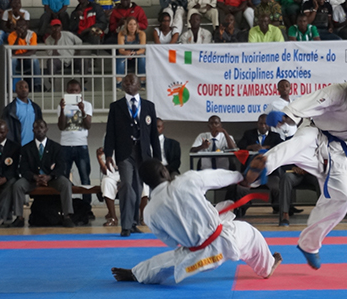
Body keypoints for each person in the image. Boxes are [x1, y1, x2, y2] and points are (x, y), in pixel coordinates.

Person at [262, 63, 347, 269]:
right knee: (295, 144)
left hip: (338, 147)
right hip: (314, 131)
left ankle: (309, 244)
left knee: (344, 198)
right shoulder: (339, 91)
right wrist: (286, 115)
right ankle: (260, 168)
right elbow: (311, 100)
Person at [110, 157, 282, 285]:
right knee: (250, 234)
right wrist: (241, 177)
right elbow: (217, 177)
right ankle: (267, 267)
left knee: (162, 263)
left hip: (195, 258)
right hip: (224, 243)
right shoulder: (187, 180)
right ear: (164, 172)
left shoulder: (149, 212)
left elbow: (172, 243)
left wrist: (190, 236)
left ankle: (135, 274)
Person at [104, 74, 161, 237]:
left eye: (132, 81)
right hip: (125, 152)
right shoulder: (116, 106)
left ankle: (134, 223)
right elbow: (111, 132)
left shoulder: (149, 106)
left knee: (137, 187)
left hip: (143, 153)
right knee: (127, 185)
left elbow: (153, 135)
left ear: (139, 85)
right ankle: (126, 225)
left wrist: (157, 158)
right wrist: (109, 154)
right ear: (122, 86)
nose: (129, 84)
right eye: (126, 82)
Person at [11, 119, 75, 228]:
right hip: (32, 179)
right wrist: (35, 177)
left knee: (66, 184)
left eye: (41, 127)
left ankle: (67, 216)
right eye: (36, 128)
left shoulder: (56, 147)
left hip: (52, 179)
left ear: (46, 129)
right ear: (33, 130)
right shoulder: (26, 148)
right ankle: (19, 217)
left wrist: (49, 177)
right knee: (18, 185)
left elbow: (61, 167)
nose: (39, 130)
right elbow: (23, 168)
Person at [235, 114, 284, 215]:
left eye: (265, 124)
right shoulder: (249, 134)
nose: (263, 126)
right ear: (257, 124)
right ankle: (243, 207)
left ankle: (277, 208)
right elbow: (240, 146)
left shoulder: (275, 136)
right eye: (260, 123)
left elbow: (281, 147)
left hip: (270, 173)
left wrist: (267, 147)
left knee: (277, 187)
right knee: (241, 188)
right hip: (251, 172)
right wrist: (250, 147)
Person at [58, 80, 93, 205]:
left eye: (76, 90)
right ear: (67, 92)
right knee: (64, 177)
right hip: (65, 145)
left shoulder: (87, 105)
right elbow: (61, 126)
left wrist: (82, 110)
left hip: (81, 145)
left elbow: (88, 125)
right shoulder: (62, 106)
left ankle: (86, 207)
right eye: (71, 90)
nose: (73, 92)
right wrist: (62, 109)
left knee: (85, 177)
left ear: (80, 92)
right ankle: (65, 206)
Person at [1, 80, 42, 146]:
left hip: (33, 148)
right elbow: (7, 131)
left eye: (26, 87)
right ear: (16, 90)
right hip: (17, 147)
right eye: (20, 87)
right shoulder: (10, 109)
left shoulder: (36, 108)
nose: (24, 89)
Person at [8, 19, 42, 91]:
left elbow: (33, 51)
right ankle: (9, 85)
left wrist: (19, 56)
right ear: (16, 27)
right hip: (17, 62)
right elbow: (12, 51)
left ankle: (37, 86)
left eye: (23, 26)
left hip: (27, 60)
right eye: (19, 26)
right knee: (12, 60)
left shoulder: (32, 34)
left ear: (27, 26)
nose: (21, 28)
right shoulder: (12, 35)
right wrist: (18, 37)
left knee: (35, 59)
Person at [117, 17, 147, 87]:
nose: (132, 27)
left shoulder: (141, 34)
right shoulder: (121, 34)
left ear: (137, 26)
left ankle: (143, 82)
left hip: (137, 54)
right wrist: (127, 53)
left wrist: (135, 53)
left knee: (142, 58)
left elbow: (142, 49)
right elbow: (121, 50)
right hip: (126, 55)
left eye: (134, 24)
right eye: (130, 24)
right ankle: (118, 83)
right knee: (120, 59)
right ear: (126, 26)